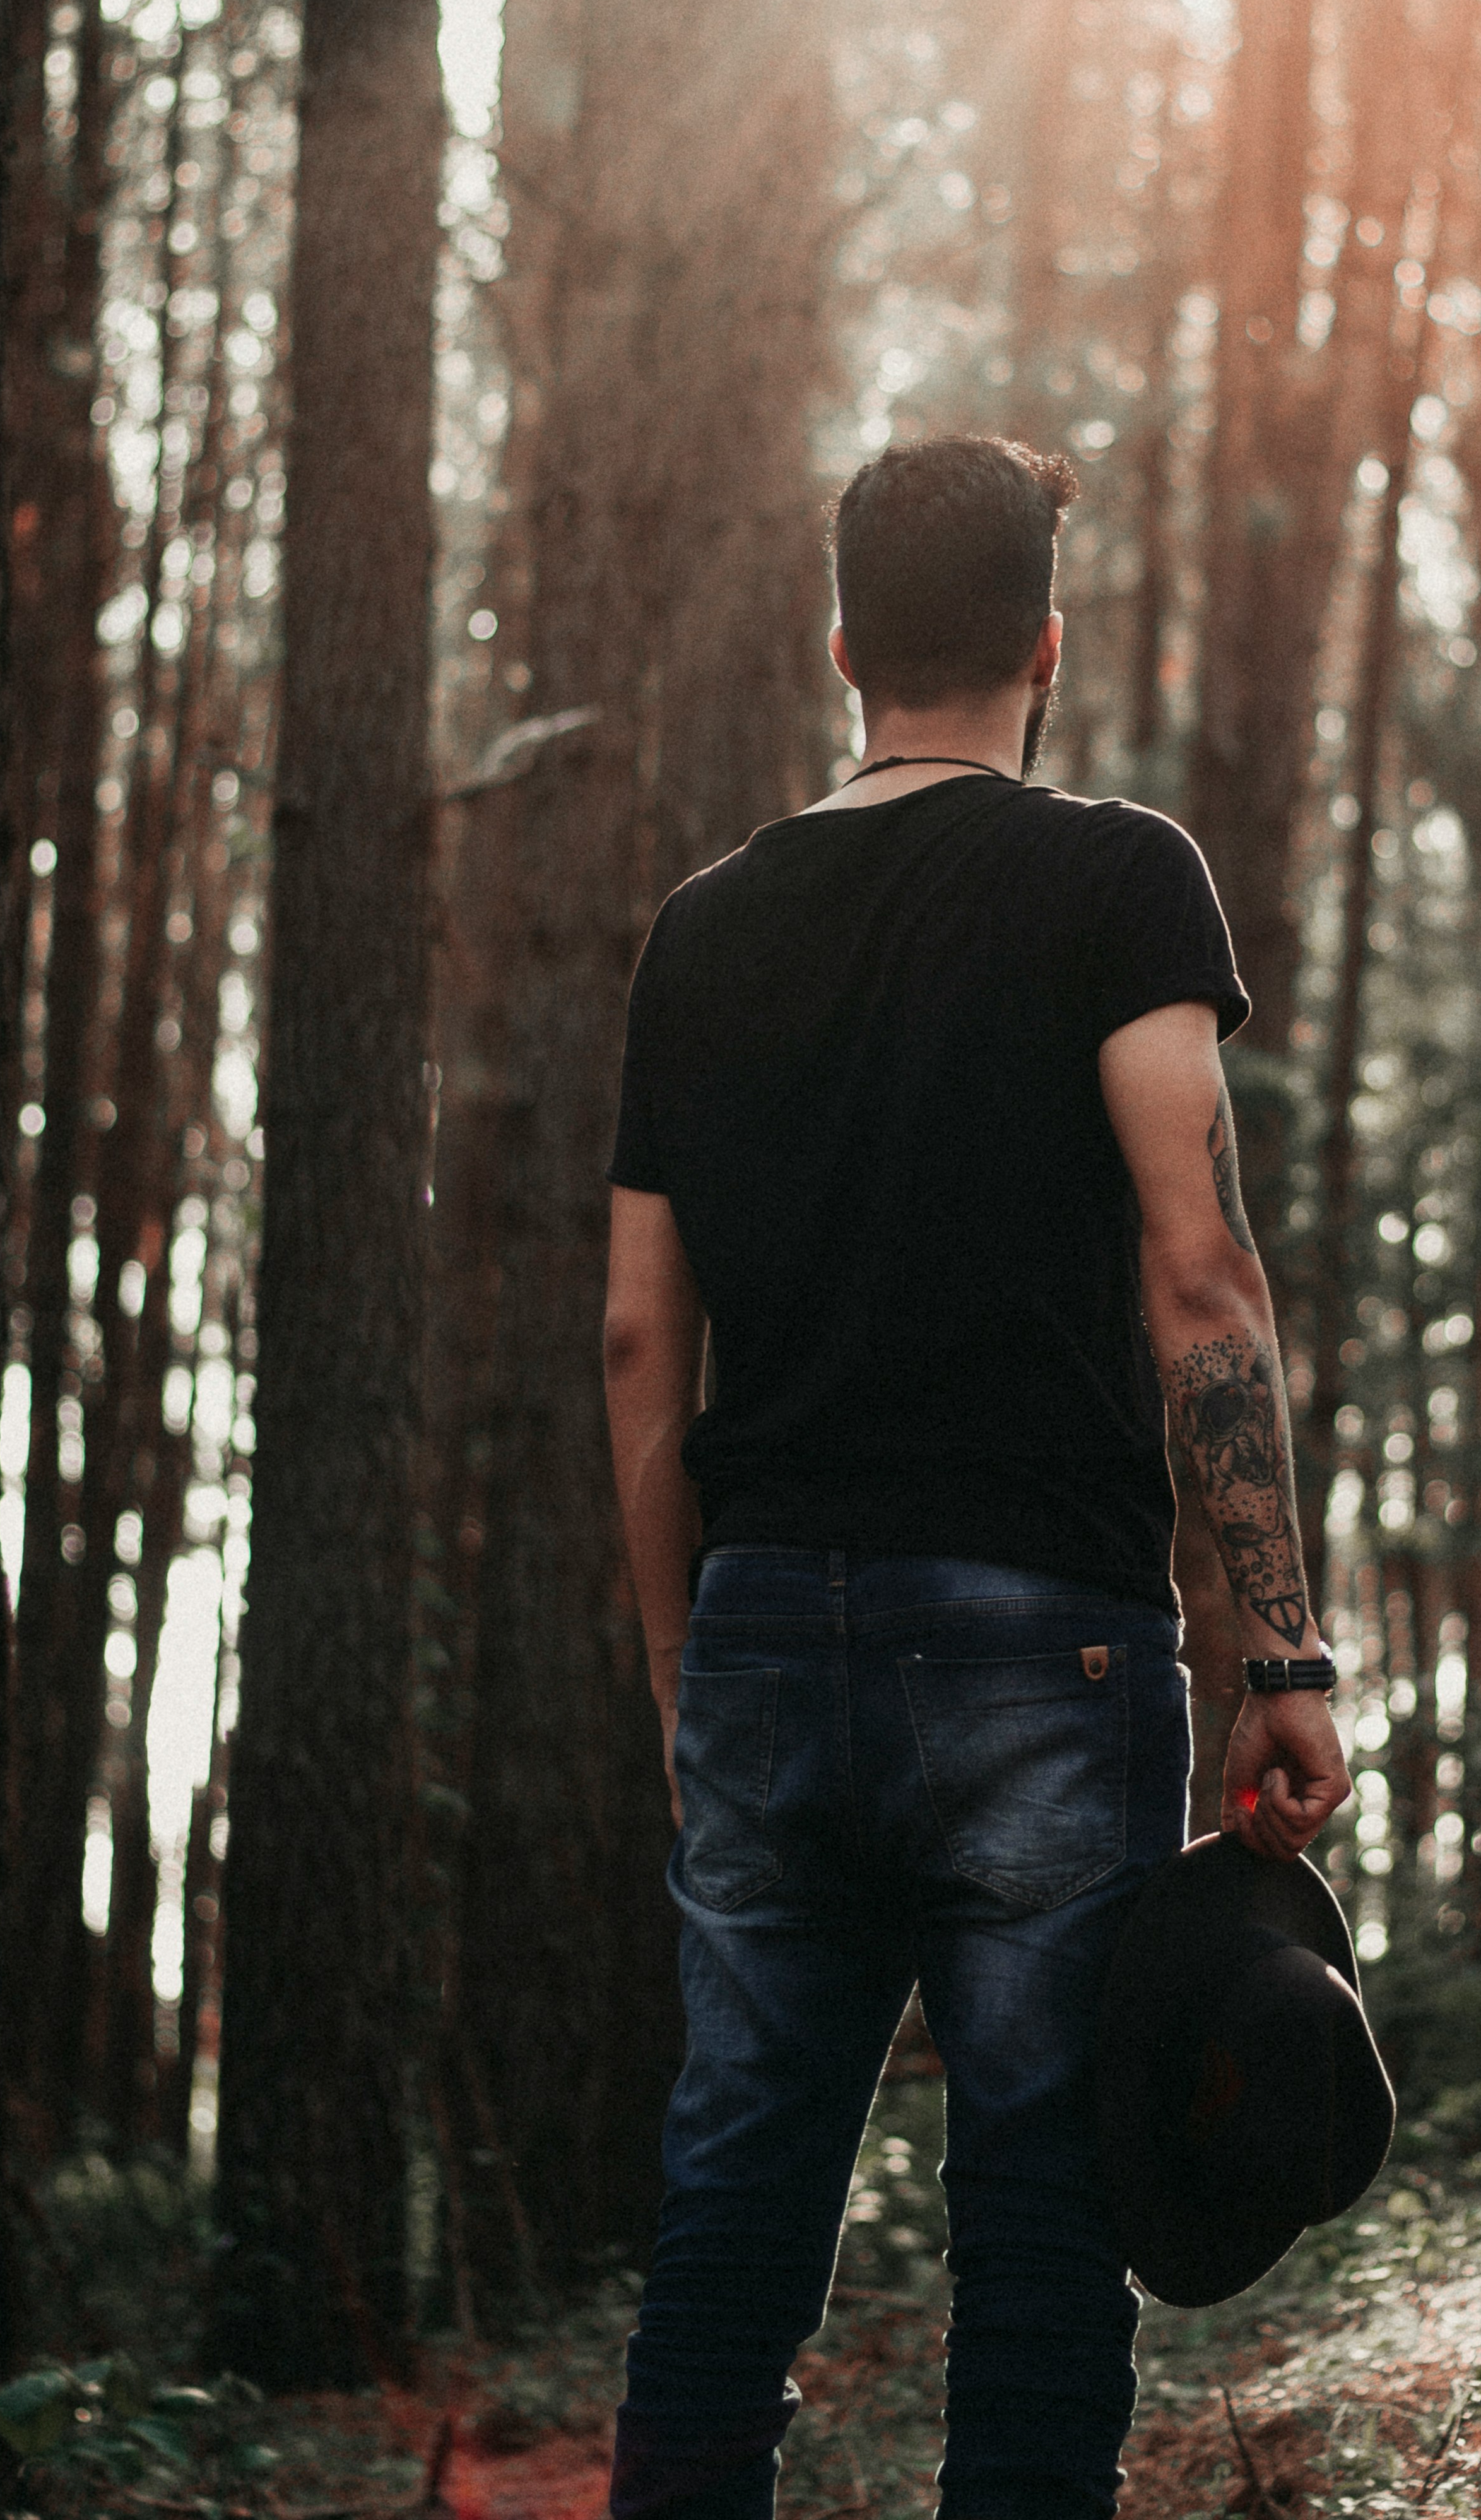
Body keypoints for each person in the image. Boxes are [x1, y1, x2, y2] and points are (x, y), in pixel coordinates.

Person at [601, 435, 1350, 2520]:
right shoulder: (1122, 880)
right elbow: (1199, 1273)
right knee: (1039, 2233)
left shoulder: (699, 934)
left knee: (732, 2221)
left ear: (842, 644)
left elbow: (641, 1340)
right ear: (1044, 641)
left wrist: (687, 1659)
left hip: (763, 1628)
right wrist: (1279, 1643)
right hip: (1045, 1649)